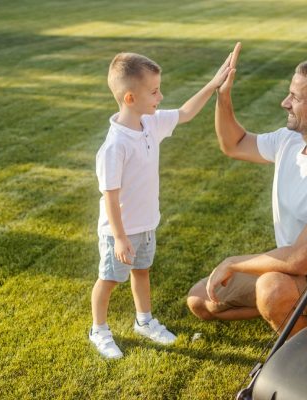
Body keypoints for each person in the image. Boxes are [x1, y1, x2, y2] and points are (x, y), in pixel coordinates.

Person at [187, 43, 307, 337]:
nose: (285, 102)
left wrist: (235, 262)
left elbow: (301, 258)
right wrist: (223, 96)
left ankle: (304, 355)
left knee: (271, 288)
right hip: (290, 274)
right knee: (201, 300)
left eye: (295, 97)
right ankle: (291, 312)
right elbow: (234, 144)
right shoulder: (290, 140)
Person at [90, 48, 235, 359]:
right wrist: (119, 238)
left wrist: (213, 84)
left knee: (142, 271)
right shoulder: (114, 146)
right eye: (154, 91)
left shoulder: (149, 124)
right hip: (120, 233)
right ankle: (98, 329)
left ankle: (144, 320)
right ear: (130, 98)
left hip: (146, 225)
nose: (161, 96)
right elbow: (110, 196)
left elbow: (184, 113)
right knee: (109, 279)